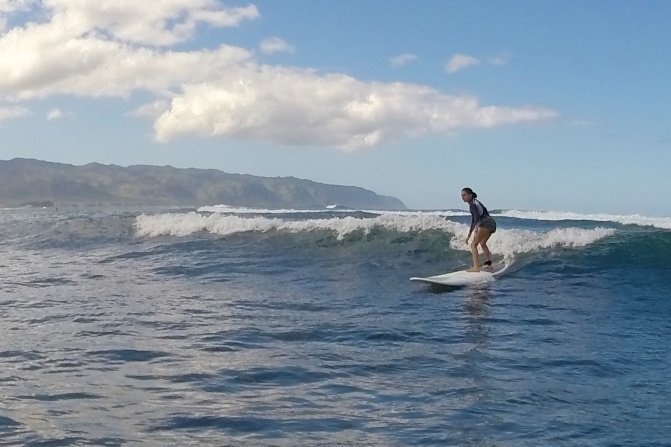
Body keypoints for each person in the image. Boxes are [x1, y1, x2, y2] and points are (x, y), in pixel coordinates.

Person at [461, 187, 497, 272]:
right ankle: (489, 264)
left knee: (473, 245)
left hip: (486, 223)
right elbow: (475, 220)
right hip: (492, 223)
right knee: (482, 243)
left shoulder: (473, 204)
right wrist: (469, 235)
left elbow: (476, 219)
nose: (463, 197)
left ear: (470, 195)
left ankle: (476, 267)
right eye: (462, 196)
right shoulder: (475, 202)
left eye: (465, 195)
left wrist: (476, 229)